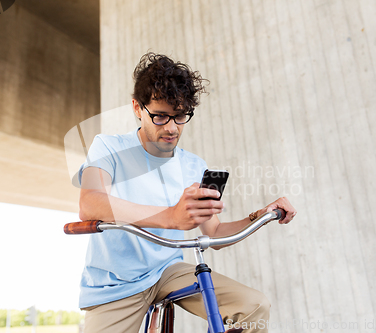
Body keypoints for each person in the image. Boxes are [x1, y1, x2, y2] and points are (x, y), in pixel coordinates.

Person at [77, 52, 297, 333]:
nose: (171, 128)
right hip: (115, 281)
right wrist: (171, 216)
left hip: (168, 270)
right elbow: (90, 203)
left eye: (180, 116)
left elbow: (214, 235)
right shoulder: (107, 147)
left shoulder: (194, 165)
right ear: (136, 107)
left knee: (254, 307)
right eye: (159, 116)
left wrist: (259, 216)